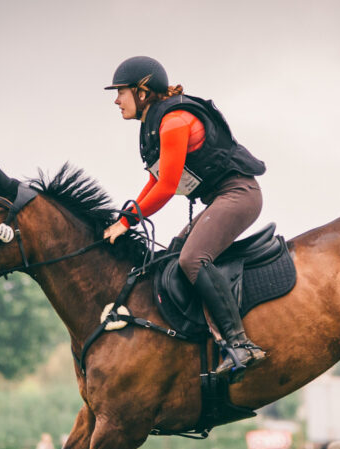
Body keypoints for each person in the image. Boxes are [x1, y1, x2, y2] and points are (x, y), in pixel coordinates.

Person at [103, 56, 268, 381]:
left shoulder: (174, 121)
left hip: (239, 194)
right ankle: (207, 344)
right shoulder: (155, 124)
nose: (116, 100)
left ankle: (240, 344)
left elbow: (165, 187)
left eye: (121, 92)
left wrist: (127, 223)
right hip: (221, 198)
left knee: (193, 259)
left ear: (142, 91)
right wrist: (124, 216)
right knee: (175, 254)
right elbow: (154, 181)